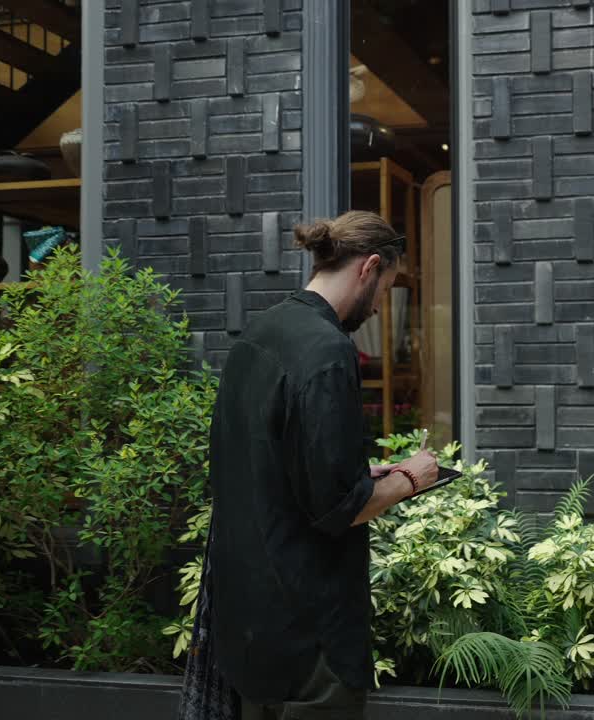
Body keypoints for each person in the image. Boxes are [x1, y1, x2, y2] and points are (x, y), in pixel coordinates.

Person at [206, 210, 440, 719]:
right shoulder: (328, 350)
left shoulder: (260, 333)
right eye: (386, 288)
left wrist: (361, 475)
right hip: (310, 630)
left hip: (246, 617)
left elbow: (259, 461)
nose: (380, 307)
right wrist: (410, 478)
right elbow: (341, 508)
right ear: (369, 266)